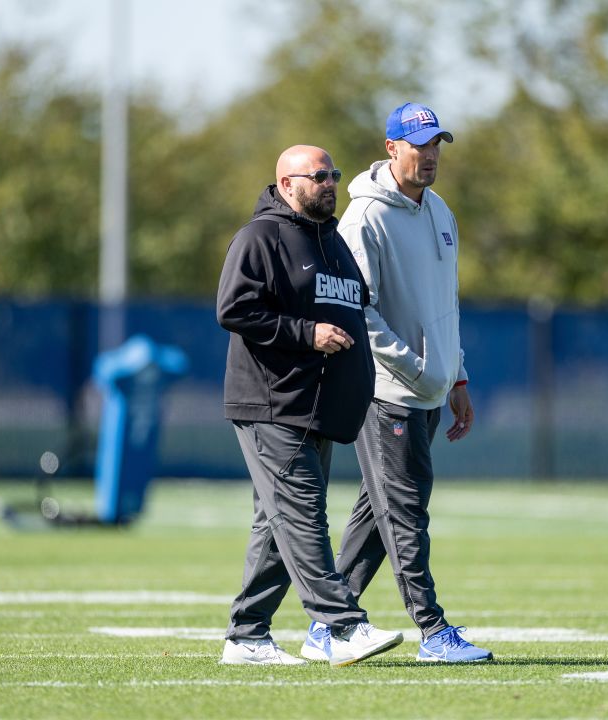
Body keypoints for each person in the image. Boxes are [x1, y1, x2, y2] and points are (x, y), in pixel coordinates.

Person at [298, 104, 493, 664]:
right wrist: (414, 365)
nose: (430, 155)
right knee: (404, 513)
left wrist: (455, 374)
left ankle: (325, 625)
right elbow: (360, 310)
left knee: (378, 513)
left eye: (437, 145)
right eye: (420, 145)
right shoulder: (364, 218)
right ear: (392, 148)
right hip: (387, 392)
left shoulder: (441, 212)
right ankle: (433, 632)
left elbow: (446, 304)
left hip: (431, 389)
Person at [216, 144, 404, 667]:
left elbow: (357, 311)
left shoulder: (334, 244)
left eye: (334, 174)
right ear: (286, 184)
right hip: (271, 403)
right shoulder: (261, 237)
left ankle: (247, 636)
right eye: (318, 176)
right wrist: (306, 333)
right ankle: (343, 626)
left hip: (317, 408)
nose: (329, 183)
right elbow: (234, 309)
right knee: (302, 515)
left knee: (276, 525)